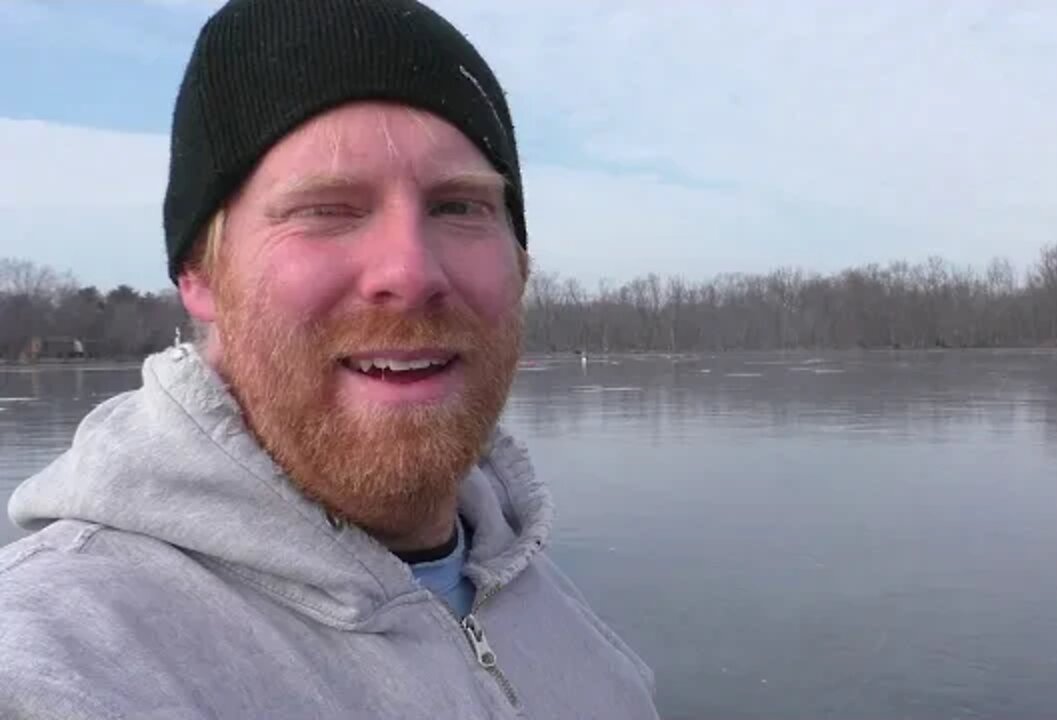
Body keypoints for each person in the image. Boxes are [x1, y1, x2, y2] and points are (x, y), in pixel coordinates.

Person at [0, 0, 660, 717]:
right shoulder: (64, 656)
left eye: (459, 207)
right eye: (327, 209)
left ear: (521, 265)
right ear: (198, 273)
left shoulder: (534, 593)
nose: (410, 273)